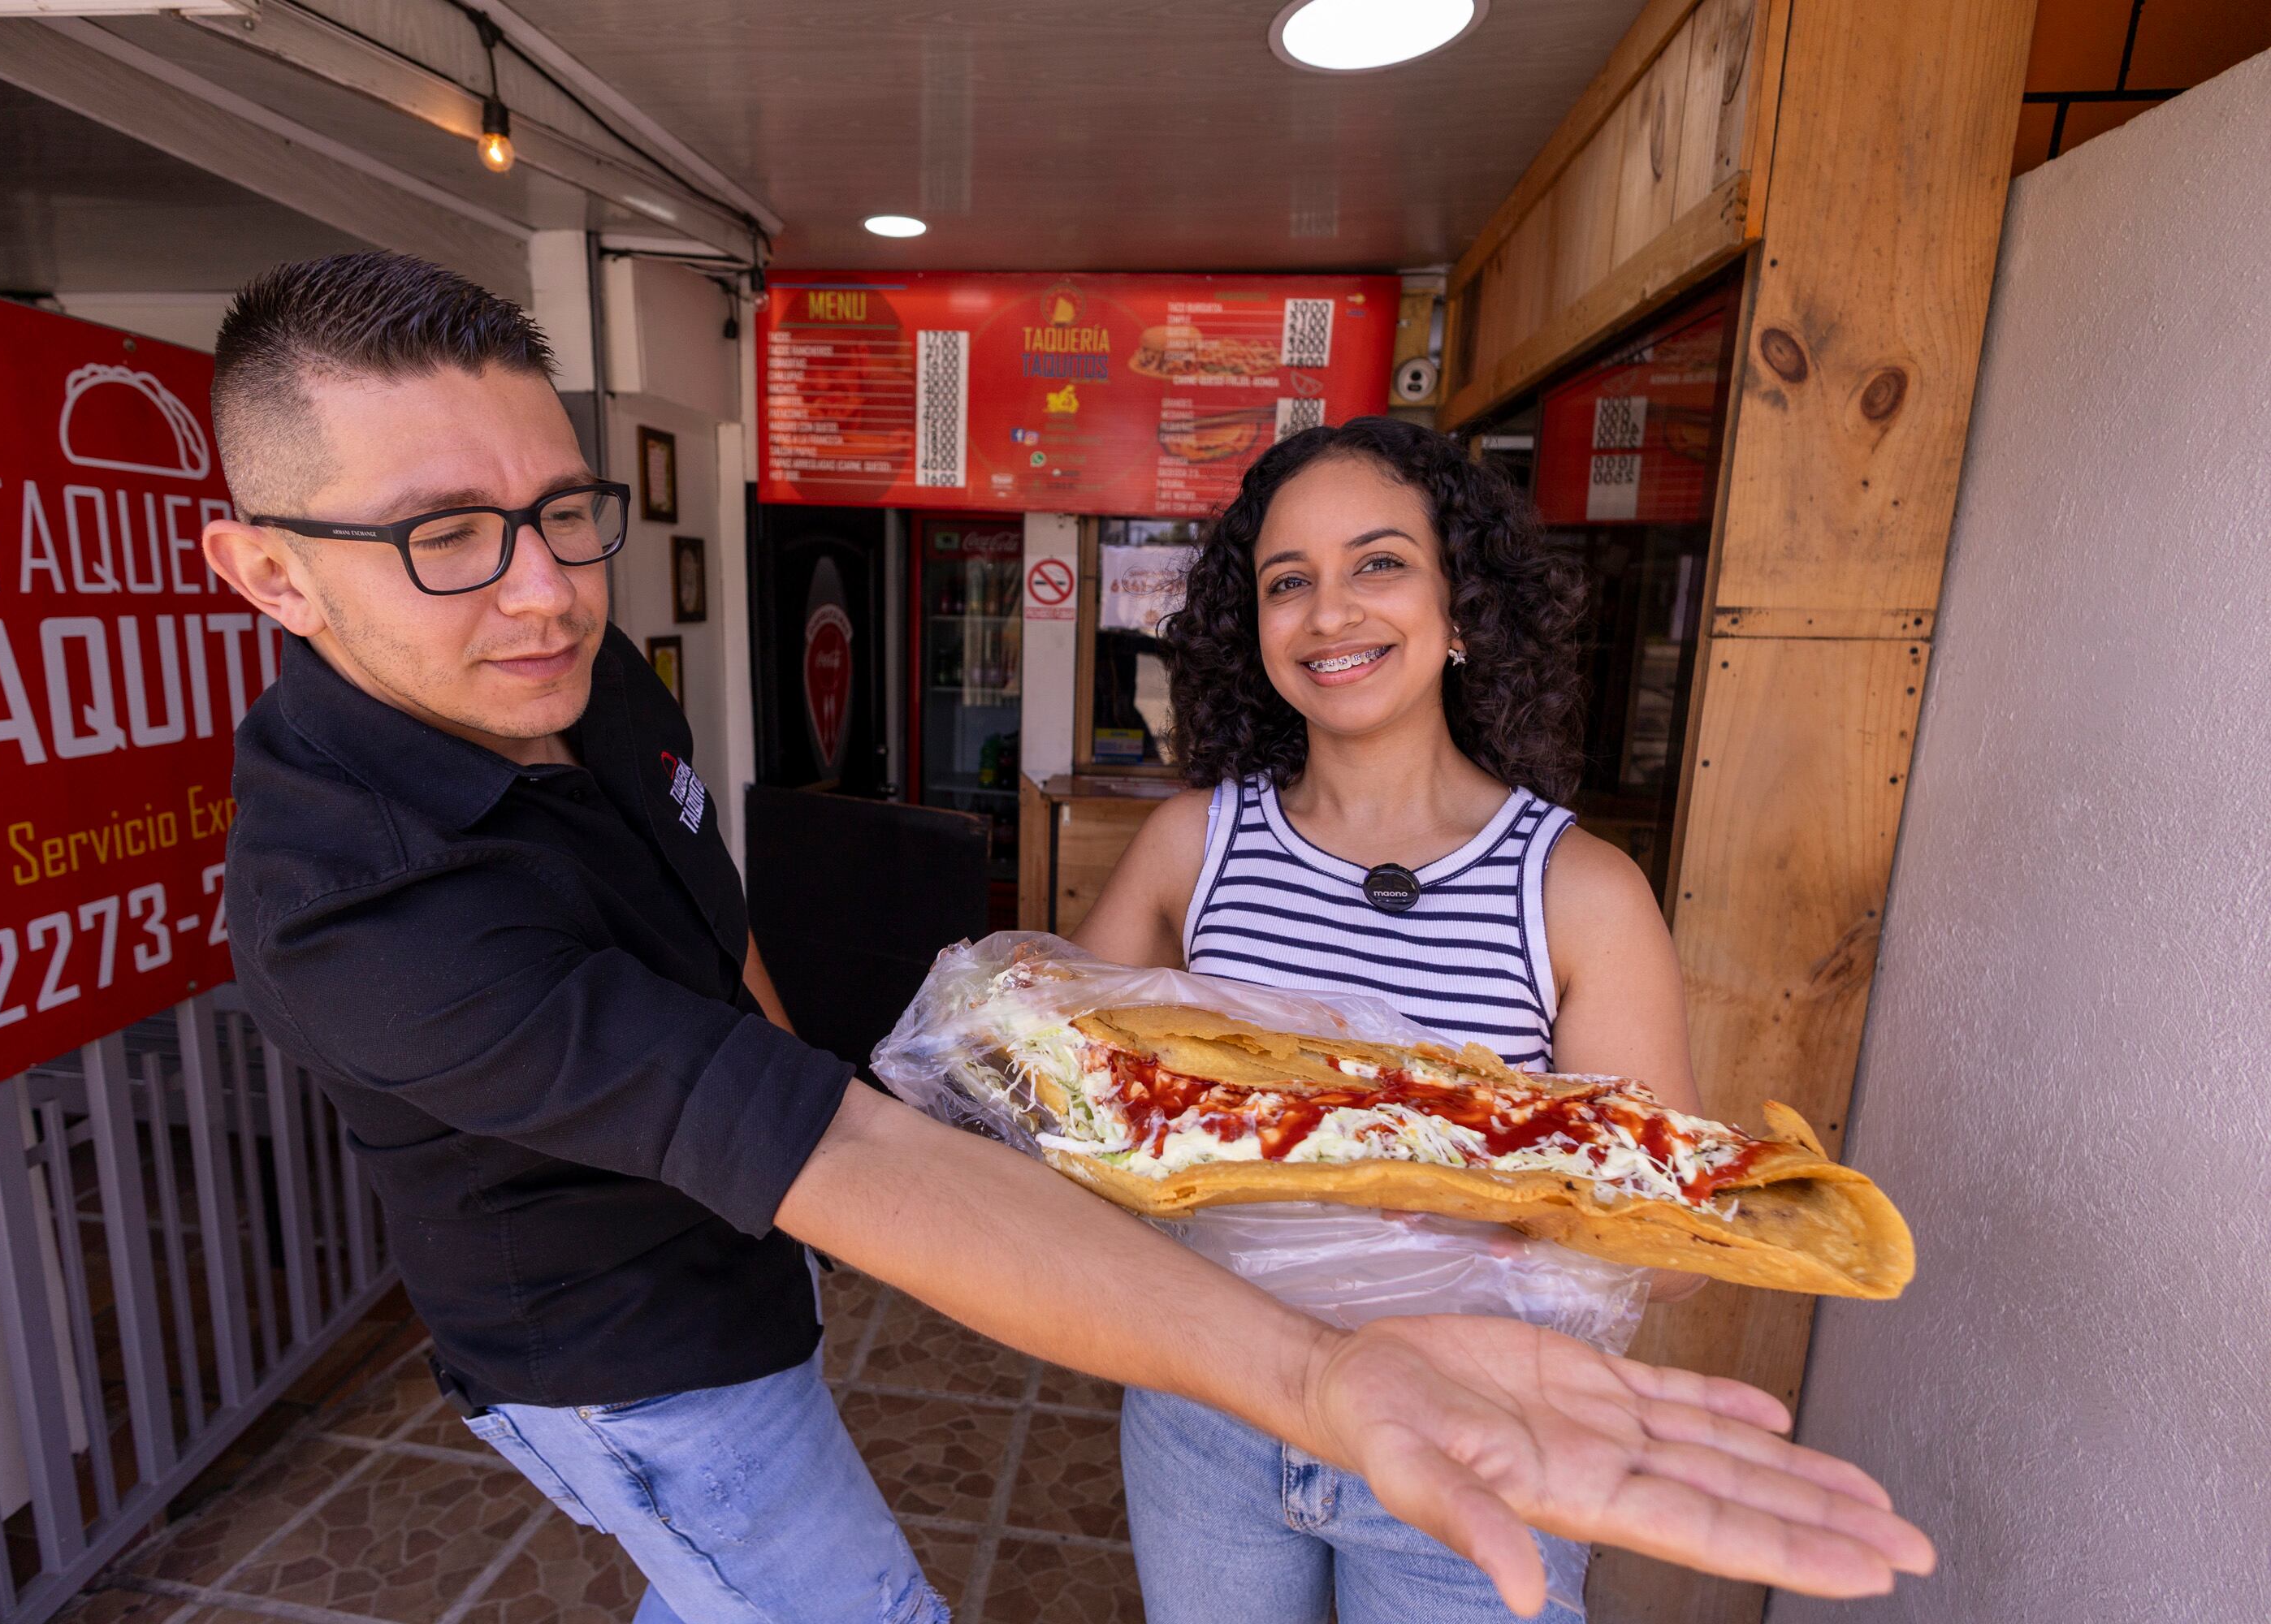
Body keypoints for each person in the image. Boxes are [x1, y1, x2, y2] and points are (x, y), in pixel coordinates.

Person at [200, 252, 1931, 1624]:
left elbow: (735, 970)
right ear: (269, 572)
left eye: (566, 512)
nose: (545, 588)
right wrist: (1321, 1361)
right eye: (443, 536)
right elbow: (866, 1142)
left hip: (782, 1271)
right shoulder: (356, 912)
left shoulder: (574, 665)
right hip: (624, 1356)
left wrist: (837, 1106)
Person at [1072, 417, 1717, 1622]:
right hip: (1215, 1410)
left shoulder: (1577, 893)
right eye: (1287, 582)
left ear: (1461, 603)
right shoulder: (1189, 850)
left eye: (1378, 564)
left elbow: (1674, 1252)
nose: (1330, 614)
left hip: (1475, 1441)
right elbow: (1056, 1098)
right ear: (1250, 627)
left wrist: (1482, 1172)